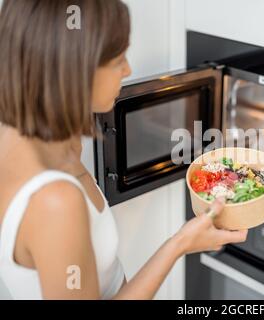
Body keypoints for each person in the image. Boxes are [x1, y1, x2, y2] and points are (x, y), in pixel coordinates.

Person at [0, 0, 247, 299]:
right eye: (118, 60)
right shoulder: (55, 202)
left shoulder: (30, 136)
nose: (128, 70)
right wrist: (179, 244)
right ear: (76, 70)